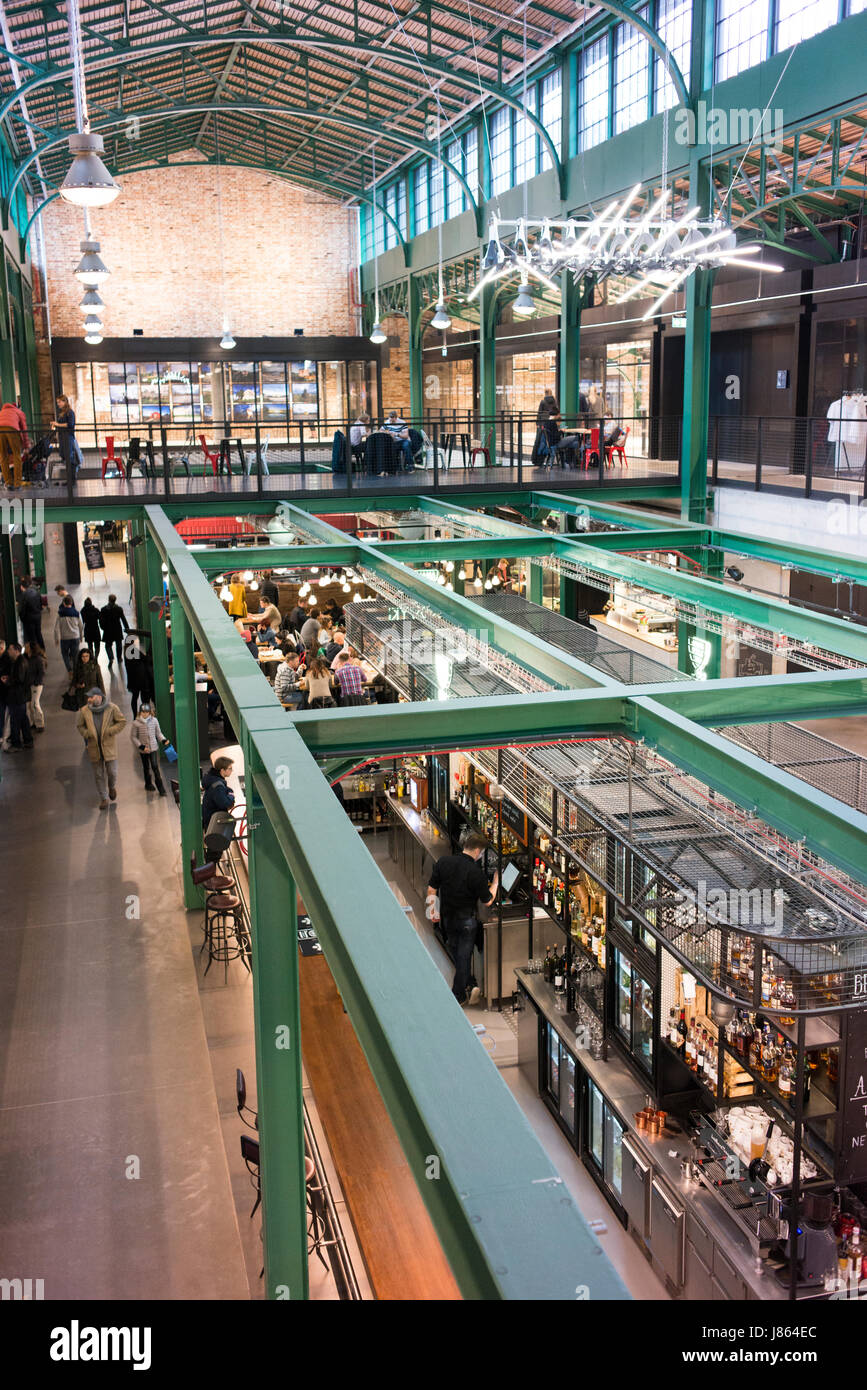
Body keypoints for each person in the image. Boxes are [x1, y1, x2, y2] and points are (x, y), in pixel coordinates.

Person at [426, 832, 498, 1005]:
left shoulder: (444, 862)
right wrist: (495, 883)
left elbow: (431, 890)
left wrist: (432, 911)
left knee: (458, 954)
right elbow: (488, 900)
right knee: (464, 957)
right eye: (481, 853)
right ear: (478, 851)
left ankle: (469, 983)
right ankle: (458, 995)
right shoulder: (476, 873)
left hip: (447, 918)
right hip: (466, 921)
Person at [76, 687, 127, 809]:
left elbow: (122, 721)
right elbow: (80, 726)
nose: (89, 699)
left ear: (99, 697)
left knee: (112, 772)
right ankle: (104, 798)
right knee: (98, 775)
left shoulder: (112, 708)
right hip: (94, 748)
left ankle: (112, 786)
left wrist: (111, 731)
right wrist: (87, 734)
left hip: (109, 747)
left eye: (91, 696)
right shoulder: (84, 711)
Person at [130, 700, 169, 795]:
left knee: (155, 766)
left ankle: (161, 788)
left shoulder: (154, 721)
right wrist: (141, 746)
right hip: (143, 750)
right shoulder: (136, 723)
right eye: (143, 712)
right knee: (146, 767)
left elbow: (158, 733)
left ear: (150, 712)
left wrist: (163, 740)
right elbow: (133, 737)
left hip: (153, 748)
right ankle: (148, 784)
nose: (145, 714)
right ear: (140, 712)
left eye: (147, 712)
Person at [2, 641, 33, 749]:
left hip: (17, 696)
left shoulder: (20, 663)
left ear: (16, 651)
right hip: (20, 696)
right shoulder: (20, 661)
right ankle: (28, 740)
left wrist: (7, 681)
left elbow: (19, 679)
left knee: (15, 720)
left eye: (10, 649)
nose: (8, 651)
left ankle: (16, 744)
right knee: (23, 719)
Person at [0, 399, 29, 490]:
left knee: (3, 456)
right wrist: (26, 446)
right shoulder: (19, 412)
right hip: (12, 430)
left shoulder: (2, 411)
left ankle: (8, 483)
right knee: (17, 455)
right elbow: (24, 430)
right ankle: (17, 483)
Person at [53, 395, 84, 481]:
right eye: (57, 402)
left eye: (59, 402)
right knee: (66, 457)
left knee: (69, 457)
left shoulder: (70, 412)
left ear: (64, 402)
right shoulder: (62, 413)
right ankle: (69, 479)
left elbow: (70, 424)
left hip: (68, 437)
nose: (58, 404)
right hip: (63, 437)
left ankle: (72, 479)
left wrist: (58, 424)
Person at [201, 755, 235, 827]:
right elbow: (225, 804)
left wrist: (228, 790)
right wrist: (231, 795)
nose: (232, 770)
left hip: (209, 818)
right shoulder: (218, 786)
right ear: (222, 770)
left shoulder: (212, 778)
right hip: (214, 823)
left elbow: (223, 789)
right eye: (230, 768)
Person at [99, 594, 130, 669]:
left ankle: (111, 658)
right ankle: (119, 658)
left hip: (108, 630)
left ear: (108, 599)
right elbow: (123, 619)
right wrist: (127, 629)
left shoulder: (103, 609)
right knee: (118, 644)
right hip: (117, 630)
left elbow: (101, 621)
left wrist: (103, 628)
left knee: (108, 646)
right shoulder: (119, 609)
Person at [54, 593, 83, 672]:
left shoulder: (60, 613)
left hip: (64, 638)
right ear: (72, 603)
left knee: (65, 654)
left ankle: (69, 670)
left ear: (64, 603)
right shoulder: (77, 613)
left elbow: (56, 628)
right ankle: (75, 670)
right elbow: (81, 626)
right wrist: (81, 637)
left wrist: (56, 638)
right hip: (75, 637)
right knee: (75, 655)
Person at [24, 640, 45, 733]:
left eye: (27, 647)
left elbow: (41, 672)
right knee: (28, 705)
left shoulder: (37, 659)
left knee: (35, 704)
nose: (25, 648)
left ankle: (40, 724)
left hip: (36, 685)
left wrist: (36, 682)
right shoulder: (25, 658)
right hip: (27, 685)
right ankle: (32, 723)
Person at [17, 577, 43, 653]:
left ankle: (34, 652)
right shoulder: (36, 592)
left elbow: (22, 609)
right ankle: (42, 649)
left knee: (31, 637)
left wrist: (22, 618)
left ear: (22, 587)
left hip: (29, 619)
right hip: (38, 616)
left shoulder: (24, 595)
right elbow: (41, 604)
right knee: (38, 633)